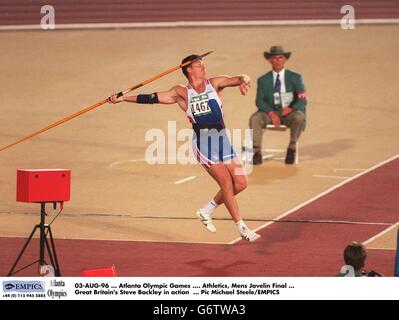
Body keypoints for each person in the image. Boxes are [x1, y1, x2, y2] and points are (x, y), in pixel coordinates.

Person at [109, 54, 260, 242]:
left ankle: (207, 209)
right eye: (199, 65)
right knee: (226, 184)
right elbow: (152, 98)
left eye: (203, 64)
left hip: (223, 140)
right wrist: (123, 99)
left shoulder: (214, 83)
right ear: (189, 69)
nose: (204, 67)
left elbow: (238, 78)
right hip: (204, 144)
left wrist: (245, 80)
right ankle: (242, 227)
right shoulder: (182, 93)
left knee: (241, 183)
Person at [249, 46, 307, 165]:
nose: (278, 60)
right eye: (274, 58)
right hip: (270, 112)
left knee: (299, 117)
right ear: (269, 60)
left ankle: (292, 147)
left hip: (289, 113)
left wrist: (291, 108)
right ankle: (257, 152)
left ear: (285, 60)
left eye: (280, 57)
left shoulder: (295, 77)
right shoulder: (263, 80)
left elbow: (302, 99)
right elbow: (259, 101)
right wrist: (271, 113)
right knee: (255, 118)